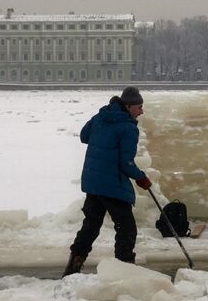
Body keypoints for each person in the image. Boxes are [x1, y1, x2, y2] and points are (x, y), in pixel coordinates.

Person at [63, 86, 151, 276]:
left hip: (93, 182)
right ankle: (124, 270)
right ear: (128, 107)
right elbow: (125, 163)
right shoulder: (128, 128)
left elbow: (84, 136)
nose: (141, 111)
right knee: (126, 228)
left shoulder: (100, 116)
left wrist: (103, 138)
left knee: (91, 225)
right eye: (139, 107)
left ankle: (73, 267)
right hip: (111, 184)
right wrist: (141, 178)